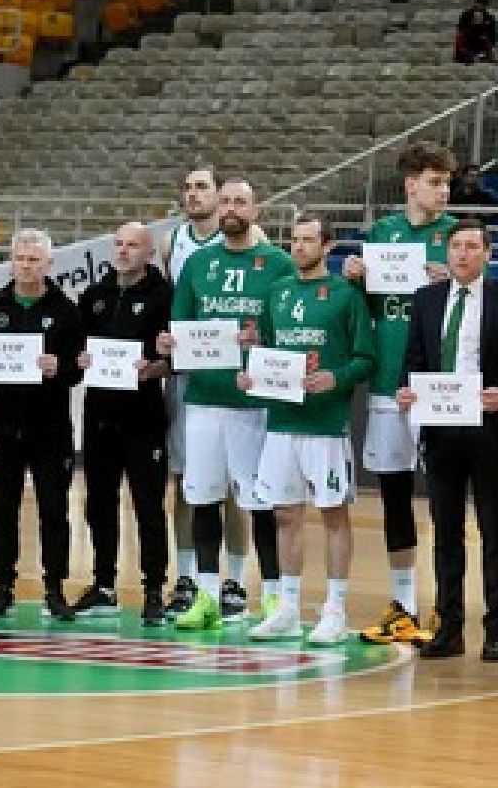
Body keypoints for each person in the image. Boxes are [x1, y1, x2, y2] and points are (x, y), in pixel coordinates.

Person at [158, 178, 297, 631]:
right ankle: (206, 597)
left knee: (260, 501)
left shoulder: (278, 263)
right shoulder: (198, 264)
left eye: (241, 201)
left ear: (256, 210)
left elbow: (292, 327)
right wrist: (168, 344)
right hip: (202, 399)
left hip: (254, 403)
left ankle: (272, 597)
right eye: (227, 201)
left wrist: (265, 337)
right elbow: (179, 326)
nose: (232, 208)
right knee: (202, 497)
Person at [397, 219, 498, 660]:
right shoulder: (426, 299)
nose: (462, 253)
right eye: (456, 245)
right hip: (440, 428)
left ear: (487, 253)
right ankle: (449, 627)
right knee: (445, 531)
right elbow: (414, 358)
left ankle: (495, 632)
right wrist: (405, 390)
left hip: (491, 427)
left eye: (472, 246)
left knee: (494, 529)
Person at [243, 216, 375, 645]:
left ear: (328, 246)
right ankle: (287, 607)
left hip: (326, 425)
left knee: (333, 514)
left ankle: (335, 610)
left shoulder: (346, 294)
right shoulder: (277, 292)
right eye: (294, 240)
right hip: (282, 421)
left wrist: (336, 377)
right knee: (285, 514)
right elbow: (266, 350)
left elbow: (366, 358)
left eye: (308, 240)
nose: (298, 247)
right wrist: (251, 375)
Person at [0, 230, 86, 622]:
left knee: (54, 510)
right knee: (3, 510)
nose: (26, 266)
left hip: (50, 429)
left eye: (34, 259)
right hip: (2, 428)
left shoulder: (66, 311)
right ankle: (3, 586)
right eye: (20, 258)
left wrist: (60, 367)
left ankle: (55, 589)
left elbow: (78, 370)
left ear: (49, 264)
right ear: (11, 262)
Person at [159, 166, 254, 618]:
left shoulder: (250, 242)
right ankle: (187, 576)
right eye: (188, 187)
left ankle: (234, 579)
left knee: (237, 485)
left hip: (236, 380)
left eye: (202, 187)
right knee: (185, 480)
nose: (193, 194)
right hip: (189, 376)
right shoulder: (172, 242)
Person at [75, 222, 173, 625]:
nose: (123, 251)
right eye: (118, 244)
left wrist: (157, 366)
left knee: (148, 505)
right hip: (99, 416)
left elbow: (174, 356)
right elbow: (75, 350)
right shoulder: (94, 296)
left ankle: (154, 590)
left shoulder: (164, 296)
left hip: (143, 417)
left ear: (148, 253)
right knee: (99, 503)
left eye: (132, 245)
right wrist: (79, 359)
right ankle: (104, 585)